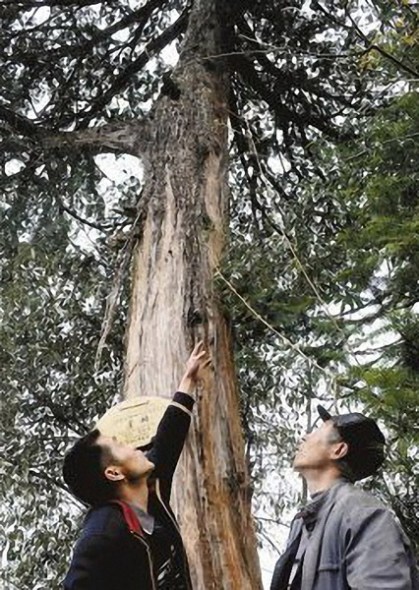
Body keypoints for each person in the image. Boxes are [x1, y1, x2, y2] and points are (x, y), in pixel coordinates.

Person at [63, 341, 210, 590]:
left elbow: (167, 440)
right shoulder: (101, 535)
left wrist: (188, 379)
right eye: (121, 446)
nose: (134, 446)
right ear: (114, 472)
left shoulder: (150, 491)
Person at [271, 405, 419, 590]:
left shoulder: (364, 514)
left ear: (338, 450)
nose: (305, 436)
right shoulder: (302, 522)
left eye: (317, 431)